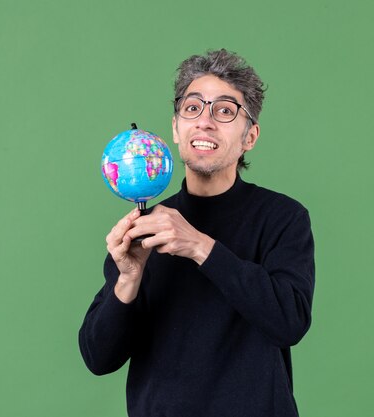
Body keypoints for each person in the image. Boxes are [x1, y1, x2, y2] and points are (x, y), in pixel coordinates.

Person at [79, 49, 315, 417]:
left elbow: (289, 323)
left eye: (223, 111)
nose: (204, 122)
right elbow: (98, 357)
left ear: (249, 136)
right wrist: (127, 279)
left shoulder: (283, 217)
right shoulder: (148, 227)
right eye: (192, 108)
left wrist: (200, 247)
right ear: (175, 128)